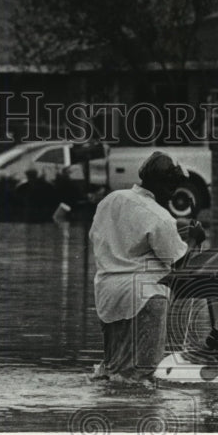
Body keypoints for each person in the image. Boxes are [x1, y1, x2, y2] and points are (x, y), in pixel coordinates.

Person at [89, 151, 206, 382]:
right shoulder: (160, 217)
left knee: (112, 369)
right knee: (141, 374)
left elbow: (110, 237)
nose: (173, 194)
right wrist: (194, 239)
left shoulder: (112, 200)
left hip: (107, 294)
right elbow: (180, 265)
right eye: (171, 187)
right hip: (145, 296)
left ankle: (110, 410)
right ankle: (140, 414)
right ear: (163, 184)